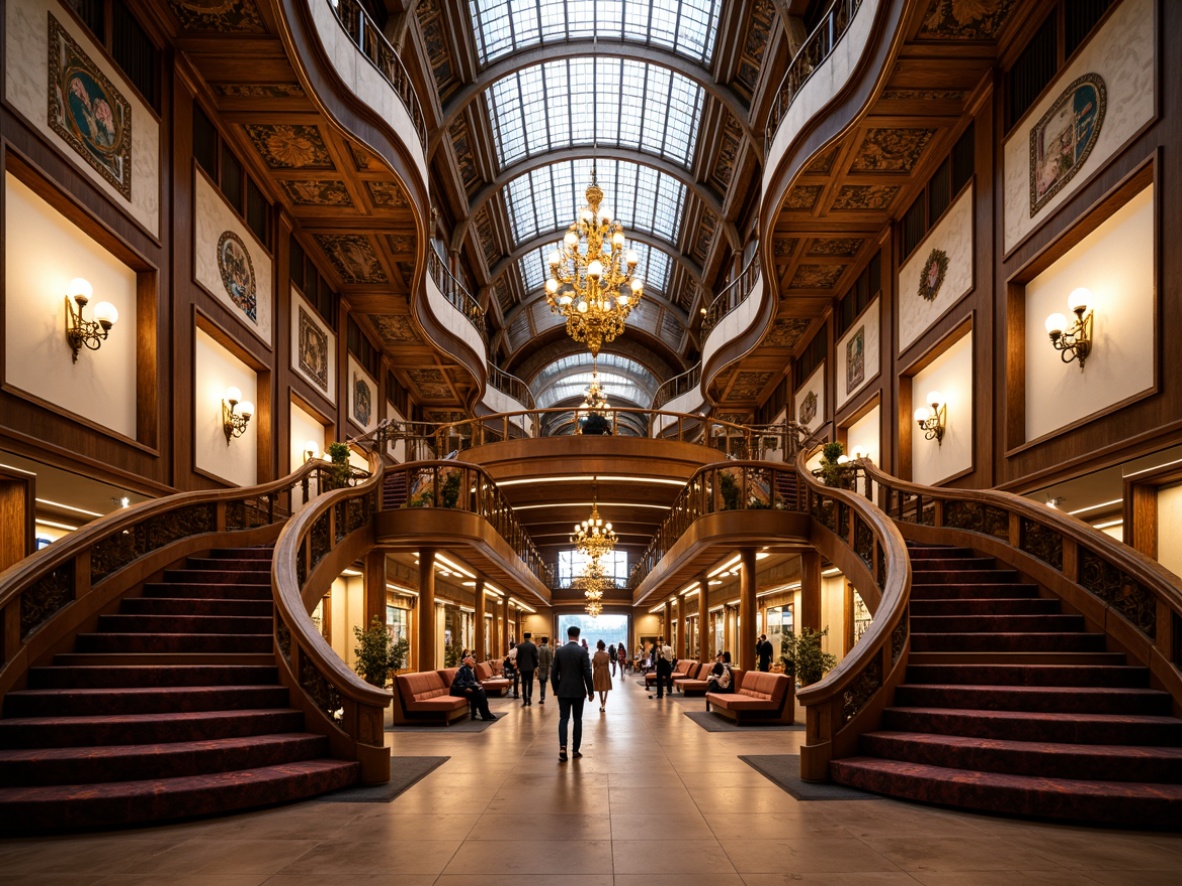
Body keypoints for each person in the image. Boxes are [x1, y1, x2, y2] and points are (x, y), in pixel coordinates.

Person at [551, 625, 594, 762]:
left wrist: (556, 688)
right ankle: (575, 750)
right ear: (578, 635)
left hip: (563, 690)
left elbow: (554, 672)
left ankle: (563, 746)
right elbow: (587, 672)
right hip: (578, 691)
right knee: (577, 720)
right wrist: (591, 691)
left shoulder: (559, 651)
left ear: (568, 635)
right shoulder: (582, 652)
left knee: (563, 719)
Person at [450, 655, 496, 721]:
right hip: (458, 690)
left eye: (474, 661)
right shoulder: (462, 670)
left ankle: (486, 714)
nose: (473, 662)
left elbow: (471, 682)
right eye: (472, 660)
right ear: (466, 661)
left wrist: (477, 683)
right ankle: (485, 715)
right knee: (479, 692)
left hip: (466, 688)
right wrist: (465, 689)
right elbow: (457, 684)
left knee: (480, 690)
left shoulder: (470, 669)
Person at [516, 632, 539, 707]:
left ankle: (524, 700)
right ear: (530, 637)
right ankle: (529, 698)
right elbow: (535, 657)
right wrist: (535, 666)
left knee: (523, 684)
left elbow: (518, 658)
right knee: (530, 683)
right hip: (530, 667)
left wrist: (518, 666)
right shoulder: (532, 646)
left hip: (522, 667)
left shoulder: (520, 646)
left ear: (523, 637)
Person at [592, 640, 613, 712]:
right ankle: (604, 702)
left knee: (600, 687)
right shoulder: (607, 654)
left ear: (598, 646)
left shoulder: (596, 654)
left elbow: (594, 666)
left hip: (598, 671)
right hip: (605, 671)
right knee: (606, 687)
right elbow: (608, 664)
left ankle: (602, 703)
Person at [536, 636, 553, 705]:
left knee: (541, 683)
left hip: (540, 667)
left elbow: (537, 658)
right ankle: (542, 697)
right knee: (544, 683)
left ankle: (541, 697)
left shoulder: (539, 648)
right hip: (545, 668)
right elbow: (549, 660)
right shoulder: (548, 649)